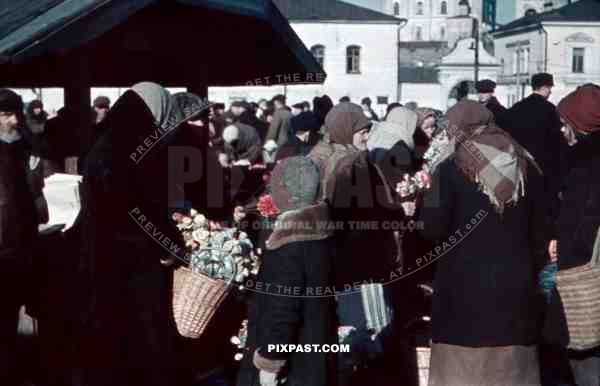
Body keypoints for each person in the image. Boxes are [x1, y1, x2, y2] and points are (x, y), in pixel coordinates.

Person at [419, 100, 547, 386]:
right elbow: (541, 231)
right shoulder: (526, 165)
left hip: (462, 297)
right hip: (515, 297)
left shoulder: (451, 170)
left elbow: (432, 228)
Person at [78, 81, 184, 386]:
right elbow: (138, 208)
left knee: (112, 334)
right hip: (134, 263)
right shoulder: (136, 150)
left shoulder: (106, 142)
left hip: (103, 256)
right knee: (143, 336)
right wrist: (169, 244)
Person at [236, 155, 336, 386]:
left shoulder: (287, 245)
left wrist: (270, 362)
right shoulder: (320, 235)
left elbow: (283, 310)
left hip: (293, 365)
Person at [543, 84, 600, 386]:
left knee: (583, 361)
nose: (563, 131)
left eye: (566, 124)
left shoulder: (584, 164)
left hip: (586, 282)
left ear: (580, 124)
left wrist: (561, 249)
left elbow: (579, 226)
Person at [0, 89, 46, 386]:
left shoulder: (26, 150)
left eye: (17, 113)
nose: (14, 121)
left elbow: (37, 205)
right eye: (5, 115)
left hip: (23, 248)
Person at [504, 72, 565, 224]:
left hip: (520, 166)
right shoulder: (550, 110)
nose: (550, 91)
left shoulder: (517, 108)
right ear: (544, 87)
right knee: (541, 212)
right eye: (549, 88)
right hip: (545, 168)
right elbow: (557, 141)